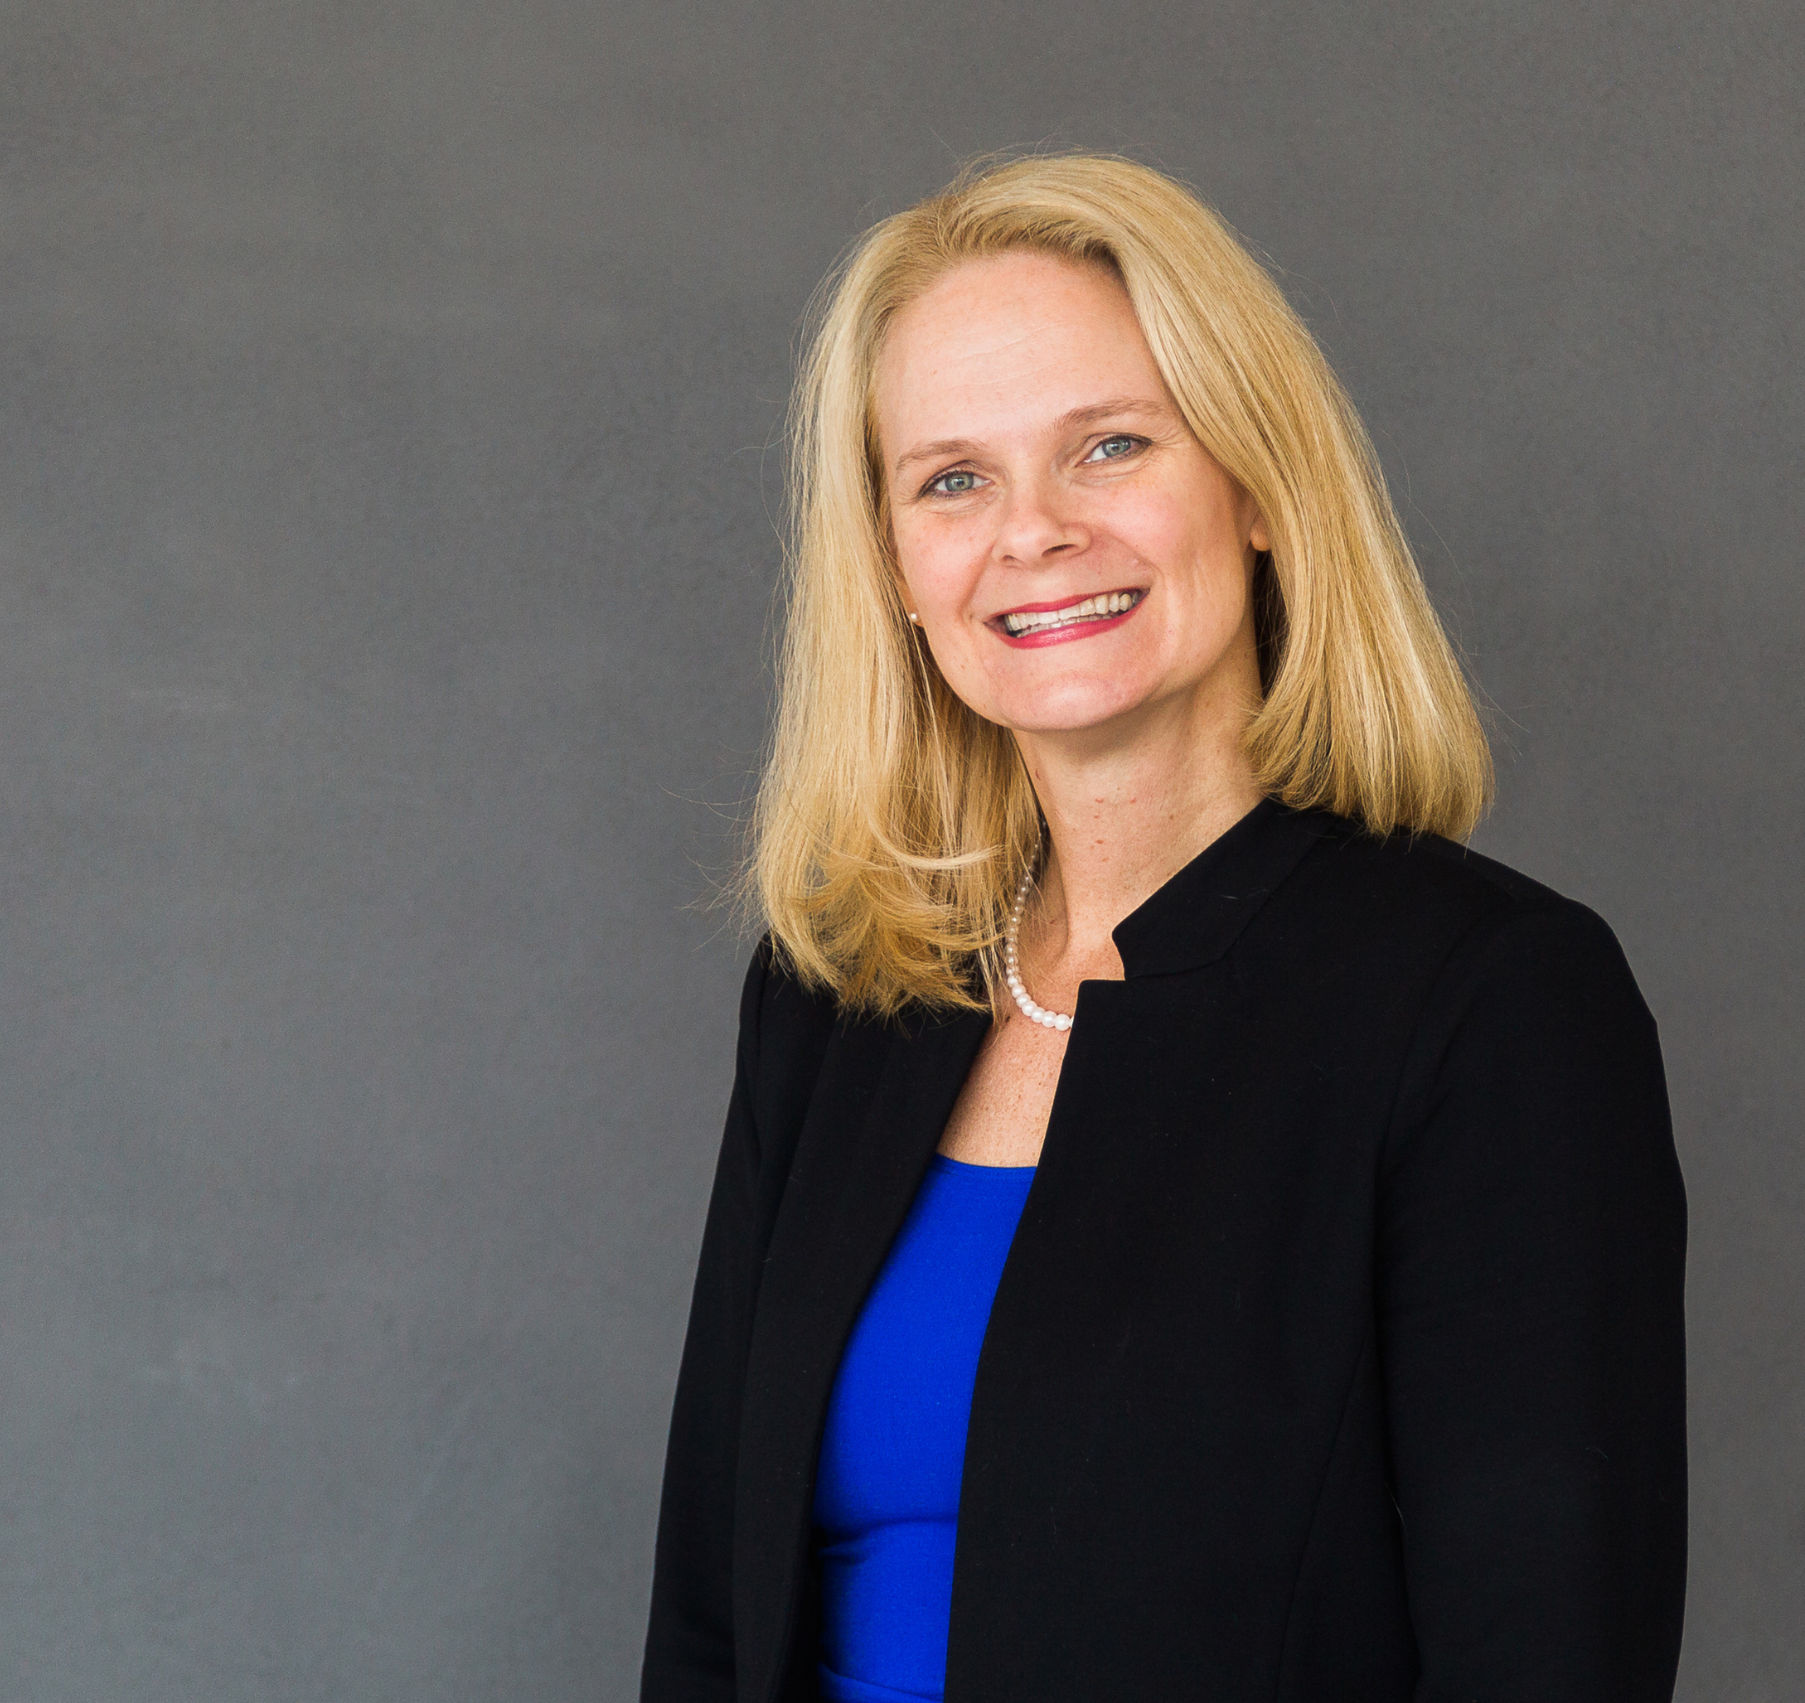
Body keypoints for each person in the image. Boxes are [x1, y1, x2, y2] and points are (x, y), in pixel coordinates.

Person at [640, 151, 1686, 1703]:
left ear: (1258, 489)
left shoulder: (1486, 1004)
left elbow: (1547, 1659)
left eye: (1110, 445)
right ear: (896, 571)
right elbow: (712, 1629)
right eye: (952, 479)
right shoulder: (838, 998)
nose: (1033, 532)